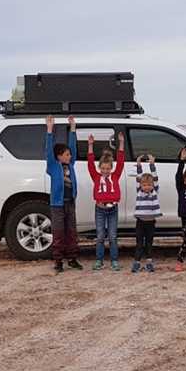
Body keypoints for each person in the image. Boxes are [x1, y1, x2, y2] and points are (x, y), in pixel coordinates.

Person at [44, 115, 82, 273]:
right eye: (66, 154)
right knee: (59, 232)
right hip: (57, 205)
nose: (70, 156)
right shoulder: (53, 166)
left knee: (71, 232)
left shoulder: (70, 165)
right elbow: (48, 149)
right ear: (59, 156)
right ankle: (58, 260)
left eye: (70, 155)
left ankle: (72, 258)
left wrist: (73, 128)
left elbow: (72, 146)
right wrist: (49, 129)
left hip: (69, 203)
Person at [86, 132, 125, 271]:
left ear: (111, 168)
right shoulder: (96, 177)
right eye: (103, 168)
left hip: (113, 209)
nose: (105, 171)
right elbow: (90, 163)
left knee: (113, 236)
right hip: (100, 209)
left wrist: (121, 143)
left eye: (108, 168)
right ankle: (99, 260)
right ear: (99, 168)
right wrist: (90, 145)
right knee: (100, 235)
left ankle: (114, 260)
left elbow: (120, 161)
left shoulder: (115, 176)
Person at [131, 154, 161, 273]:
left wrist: (152, 164)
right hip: (140, 222)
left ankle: (149, 262)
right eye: (144, 185)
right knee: (139, 243)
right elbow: (138, 177)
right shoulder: (139, 191)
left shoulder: (155, 191)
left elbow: (155, 177)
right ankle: (137, 262)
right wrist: (139, 165)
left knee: (149, 243)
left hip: (151, 222)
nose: (147, 187)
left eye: (149, 185)